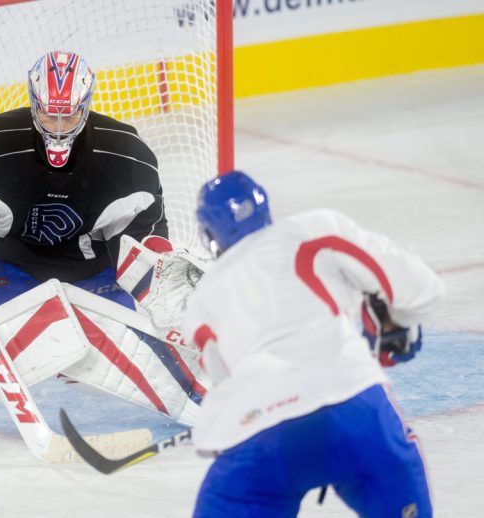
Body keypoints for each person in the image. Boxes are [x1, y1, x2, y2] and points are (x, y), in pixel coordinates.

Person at [183, 171, 445, 517]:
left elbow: (224, 383)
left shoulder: (201, 298)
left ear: (208, 233)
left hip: (261, 436)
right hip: (354, 407)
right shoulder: (312, 229)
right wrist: (395, 323)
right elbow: (422, 289)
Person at [0, 50, 168, 312]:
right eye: (49, 115)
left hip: (94, 274)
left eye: (69, 116)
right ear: (34, 105)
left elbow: (146, 220)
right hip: (11, 269)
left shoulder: (126, 153)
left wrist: (158, 269)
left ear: (85, 107)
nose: (59, 128)